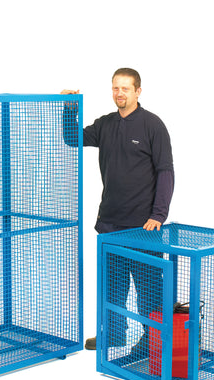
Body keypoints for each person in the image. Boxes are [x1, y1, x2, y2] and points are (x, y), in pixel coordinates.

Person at [61, 68, 174, 357]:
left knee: (149, 288)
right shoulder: (106, 124)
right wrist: (69, 109)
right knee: (112, 285)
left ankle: (152, 340)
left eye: (125, 88)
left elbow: (165, 171)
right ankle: (113, 333)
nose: (119, 93)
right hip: (109, 223)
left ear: (138, 91)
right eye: (115, 88)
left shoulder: (152, 125)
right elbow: (73, 138)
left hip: (143, 228)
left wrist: (158, 215)